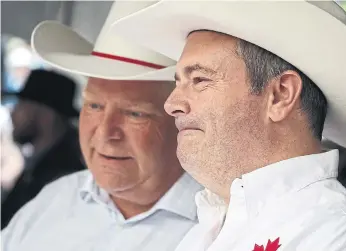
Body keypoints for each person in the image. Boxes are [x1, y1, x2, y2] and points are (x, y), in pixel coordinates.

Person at [111, 1, 346, 250]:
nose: (172, 103)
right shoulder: (212, 227)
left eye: (199, 80)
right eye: (179, 82)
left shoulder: (337, 237)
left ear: (280, 95)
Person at [1, 2, 202, 250]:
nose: (105, 133)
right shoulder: (55, 200)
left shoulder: (222, 225)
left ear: (183, 122)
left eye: (134, 113)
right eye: (94, 106)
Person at [1, 69, 85, 228]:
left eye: (21, 105)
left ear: (45, 114)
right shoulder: (39, 168)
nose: (13, 113)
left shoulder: (62, 178)